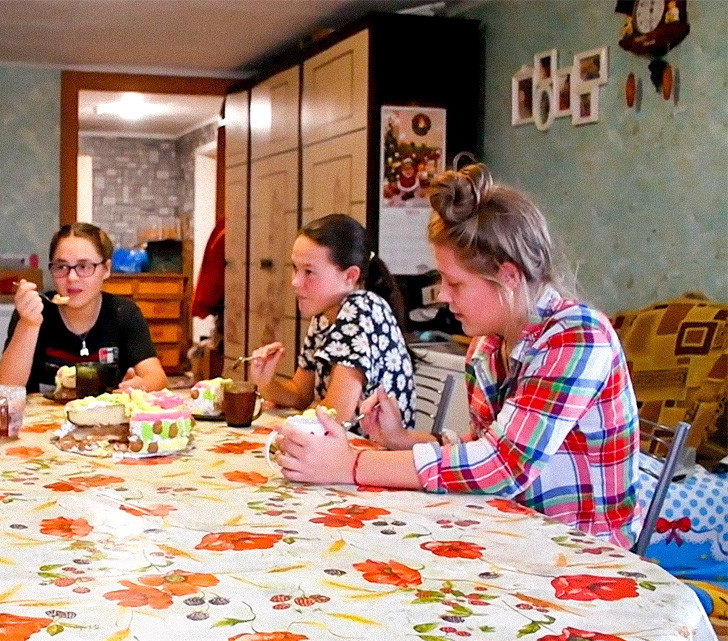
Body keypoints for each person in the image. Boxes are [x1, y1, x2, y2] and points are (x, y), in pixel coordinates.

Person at [275, 164, 640, 548]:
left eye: (455, 283)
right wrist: (402, 439)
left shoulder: (578, 337)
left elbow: (502, 466)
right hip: (510, 532)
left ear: (509, 277)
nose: (444, 297)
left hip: (584, 551)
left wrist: (349, 465)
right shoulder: (488, 345)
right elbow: (480, 445)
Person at [248, 214, 415, 426]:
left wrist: (313, 407)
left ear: (350, 277)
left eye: (309, 272)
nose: (295, 282)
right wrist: (265, 381)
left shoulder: (360, 308)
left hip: (373, 451)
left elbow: (337, 413)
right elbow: (300, 394)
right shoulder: (324, 316)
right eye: (295, 268)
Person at [0, 222, 167, 393]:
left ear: (106, 269)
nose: (72, 277)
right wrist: (28, 324)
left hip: (105, 416)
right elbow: (7, 385)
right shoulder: (34, 310)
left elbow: (156, 376)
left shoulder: (123, 312)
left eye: (84, 267)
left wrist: (140, 385)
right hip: (42, 418)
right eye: (61, 267)